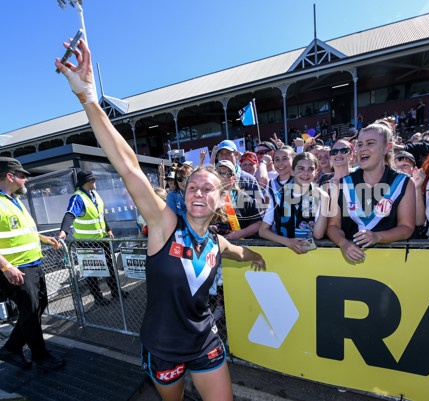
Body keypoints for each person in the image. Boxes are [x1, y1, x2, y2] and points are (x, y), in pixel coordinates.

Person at [56, 38, 266, 401]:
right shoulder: (166, 225)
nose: (198, 192)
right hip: (163, 348)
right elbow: (128, 167)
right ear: (184, 196)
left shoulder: (217, 243)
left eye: (207, 189)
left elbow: (240, 253)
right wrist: (88, 97)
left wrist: (258, 257)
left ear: (222, 199)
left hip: (205, 343)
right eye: (192, 188)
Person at [0, 157, 64, 370]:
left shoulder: (12, 200)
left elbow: (24, 231)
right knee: (31, 310)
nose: (26, 180)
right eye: (22, 176)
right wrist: (6, 267)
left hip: (32, 265)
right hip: (16, 269)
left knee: (37, 307)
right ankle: (40, 357)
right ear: (10, 176)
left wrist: (44, 238)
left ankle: (11, 349)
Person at [327, 120, 416, 262]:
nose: (362, 149)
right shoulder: (344, 183)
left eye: (370, 143)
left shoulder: (404, 182)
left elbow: (406, 227)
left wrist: (377, 237)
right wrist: (344, 243)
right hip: (349, 262)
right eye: (360, 144)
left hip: (389, 261)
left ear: (387, 147)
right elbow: (333, 226)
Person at [58, 170, 128, 305]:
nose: (94, 182)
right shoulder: (77, 198)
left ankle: (115, 291)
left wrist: (108, 229)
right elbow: (69, 214)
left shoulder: (94, 194)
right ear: (85, 183)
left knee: (109, 267)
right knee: (91, 272)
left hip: (102, 239)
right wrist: (63, 231)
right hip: (86, 243)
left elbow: (99, 215)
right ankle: (98, 298)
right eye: (91, 180)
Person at [259, 153, 329, 254]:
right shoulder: (278, 196)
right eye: (301, 168)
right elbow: (263, 231)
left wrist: (325, 201)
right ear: (292, 171)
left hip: (312, 255)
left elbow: (318, 235)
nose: (306, 173)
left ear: (316, 172)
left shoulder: (320, 197)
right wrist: (288, 242)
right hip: (284, 254)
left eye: (311, 169)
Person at [213, 160, 262, 240]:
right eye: (219, 173)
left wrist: (239, 234)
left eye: (227, 174)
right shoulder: (207, 198)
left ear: (234, 178)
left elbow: (259, 224)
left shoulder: (243, 198)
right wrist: (208, 228)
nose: (223, 177)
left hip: (239, 246)